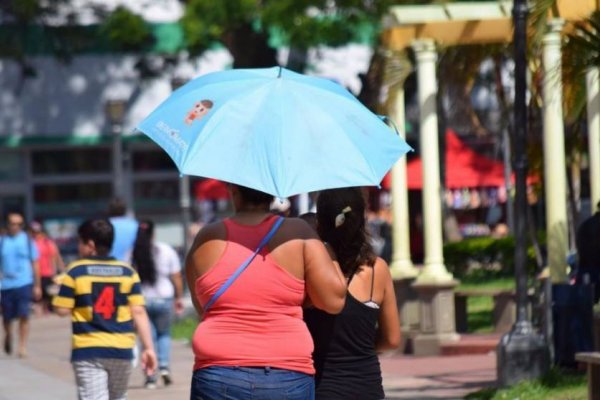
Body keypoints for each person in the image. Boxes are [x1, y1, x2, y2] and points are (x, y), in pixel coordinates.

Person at [185, 184, 347, 400]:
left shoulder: (207, 238)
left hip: (217, 371)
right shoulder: (298, 233)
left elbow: (202, 306)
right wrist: (325, 250)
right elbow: (334, 301)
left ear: (234, 191)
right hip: (287, 371)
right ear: (272, 192)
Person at [304, 187, 401, 400]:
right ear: (362, 220)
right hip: (367, 387)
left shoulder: (308, 272)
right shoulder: (378, 270)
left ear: (319, 223)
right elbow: (392, 339)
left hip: (321, 387)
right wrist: (361, 345)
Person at [52, 219, 157, 400]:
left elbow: (61, 309)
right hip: (122, 349)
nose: (78, 246)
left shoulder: (76, 271)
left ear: (90, 244)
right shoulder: (127, 272)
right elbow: (138, 312)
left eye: (80, 242)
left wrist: (61, 293)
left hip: (88, 349)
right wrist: (148, 348)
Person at [130, 219, 184, 389]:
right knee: (164, 334)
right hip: (165, 298)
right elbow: (176, 276)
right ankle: (164, 367)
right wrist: (178, 298)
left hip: (142, 300)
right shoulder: (166, 250)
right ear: (154, 233)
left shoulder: (134, 252)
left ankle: (150, 376)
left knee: (148, 338)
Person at [0, 211, 42, 358]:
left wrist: (37, 285)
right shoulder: (2, 241)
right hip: (6, 285)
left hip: (24, 283)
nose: (16, 226)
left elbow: (35, 263)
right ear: (7, 224)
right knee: (7, 317)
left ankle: (22, 346)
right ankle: (8, 335)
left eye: (19, 224)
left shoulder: (27, 240)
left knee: (24, 315)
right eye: (13, 223)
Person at [30, 221, 65, 313]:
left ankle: (46, 309)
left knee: (47, 294)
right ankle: (40, 309)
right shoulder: (30, 243)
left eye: (37, 232)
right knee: (37, 295)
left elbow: (56, 256)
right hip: (34, 273)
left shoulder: (47, 242)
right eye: (33, 232)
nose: (35, 234)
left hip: (47, 272)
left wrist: (61, 270)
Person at [575, 201, 600, 302]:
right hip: (595, 268)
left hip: (585, 268)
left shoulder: (586, 224)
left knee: (586, 302)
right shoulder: (593, 225)